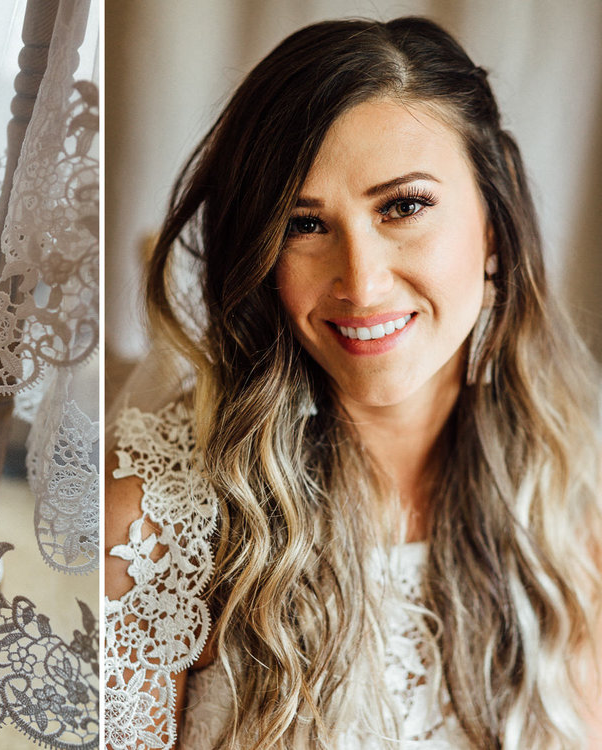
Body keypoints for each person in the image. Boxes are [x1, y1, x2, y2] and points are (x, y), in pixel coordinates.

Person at [104, 16, 602, 750]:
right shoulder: (153, 533)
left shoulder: (570, 493)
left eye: (403, 207)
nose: (361, 283)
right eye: (305, 225)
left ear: (494, 225)